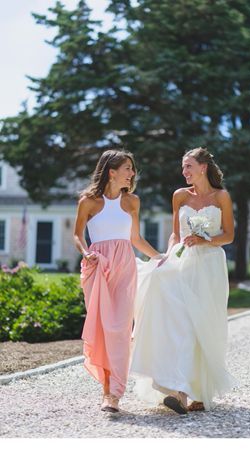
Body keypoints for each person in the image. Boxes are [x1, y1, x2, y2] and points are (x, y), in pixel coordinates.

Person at [130, 147, 236, 414]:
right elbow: (175, 235)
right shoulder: (179, 195)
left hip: (210, 266)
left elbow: (229, 235)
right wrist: (167, 256)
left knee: (204, 326)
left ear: (203, 167)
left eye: (188, 166)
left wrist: (205, 240)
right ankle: (178, 390)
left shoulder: (221, 196)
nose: (184, 171)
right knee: (181, 321)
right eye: (183, 167)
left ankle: (199, 391)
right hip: (183, 262)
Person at [73, 150, 164, 412]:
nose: (132, 173)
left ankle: (114, 394)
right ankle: (105, 390)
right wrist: (86, 252)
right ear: (111, 172)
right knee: (103, 330)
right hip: (97, 267)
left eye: (132, 169)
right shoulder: (88, 201)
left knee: (121, 330)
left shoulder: (132, 201)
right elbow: (78, 235)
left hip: (124, 266)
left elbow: (135, 239)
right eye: (127, 168)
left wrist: (160, 258)